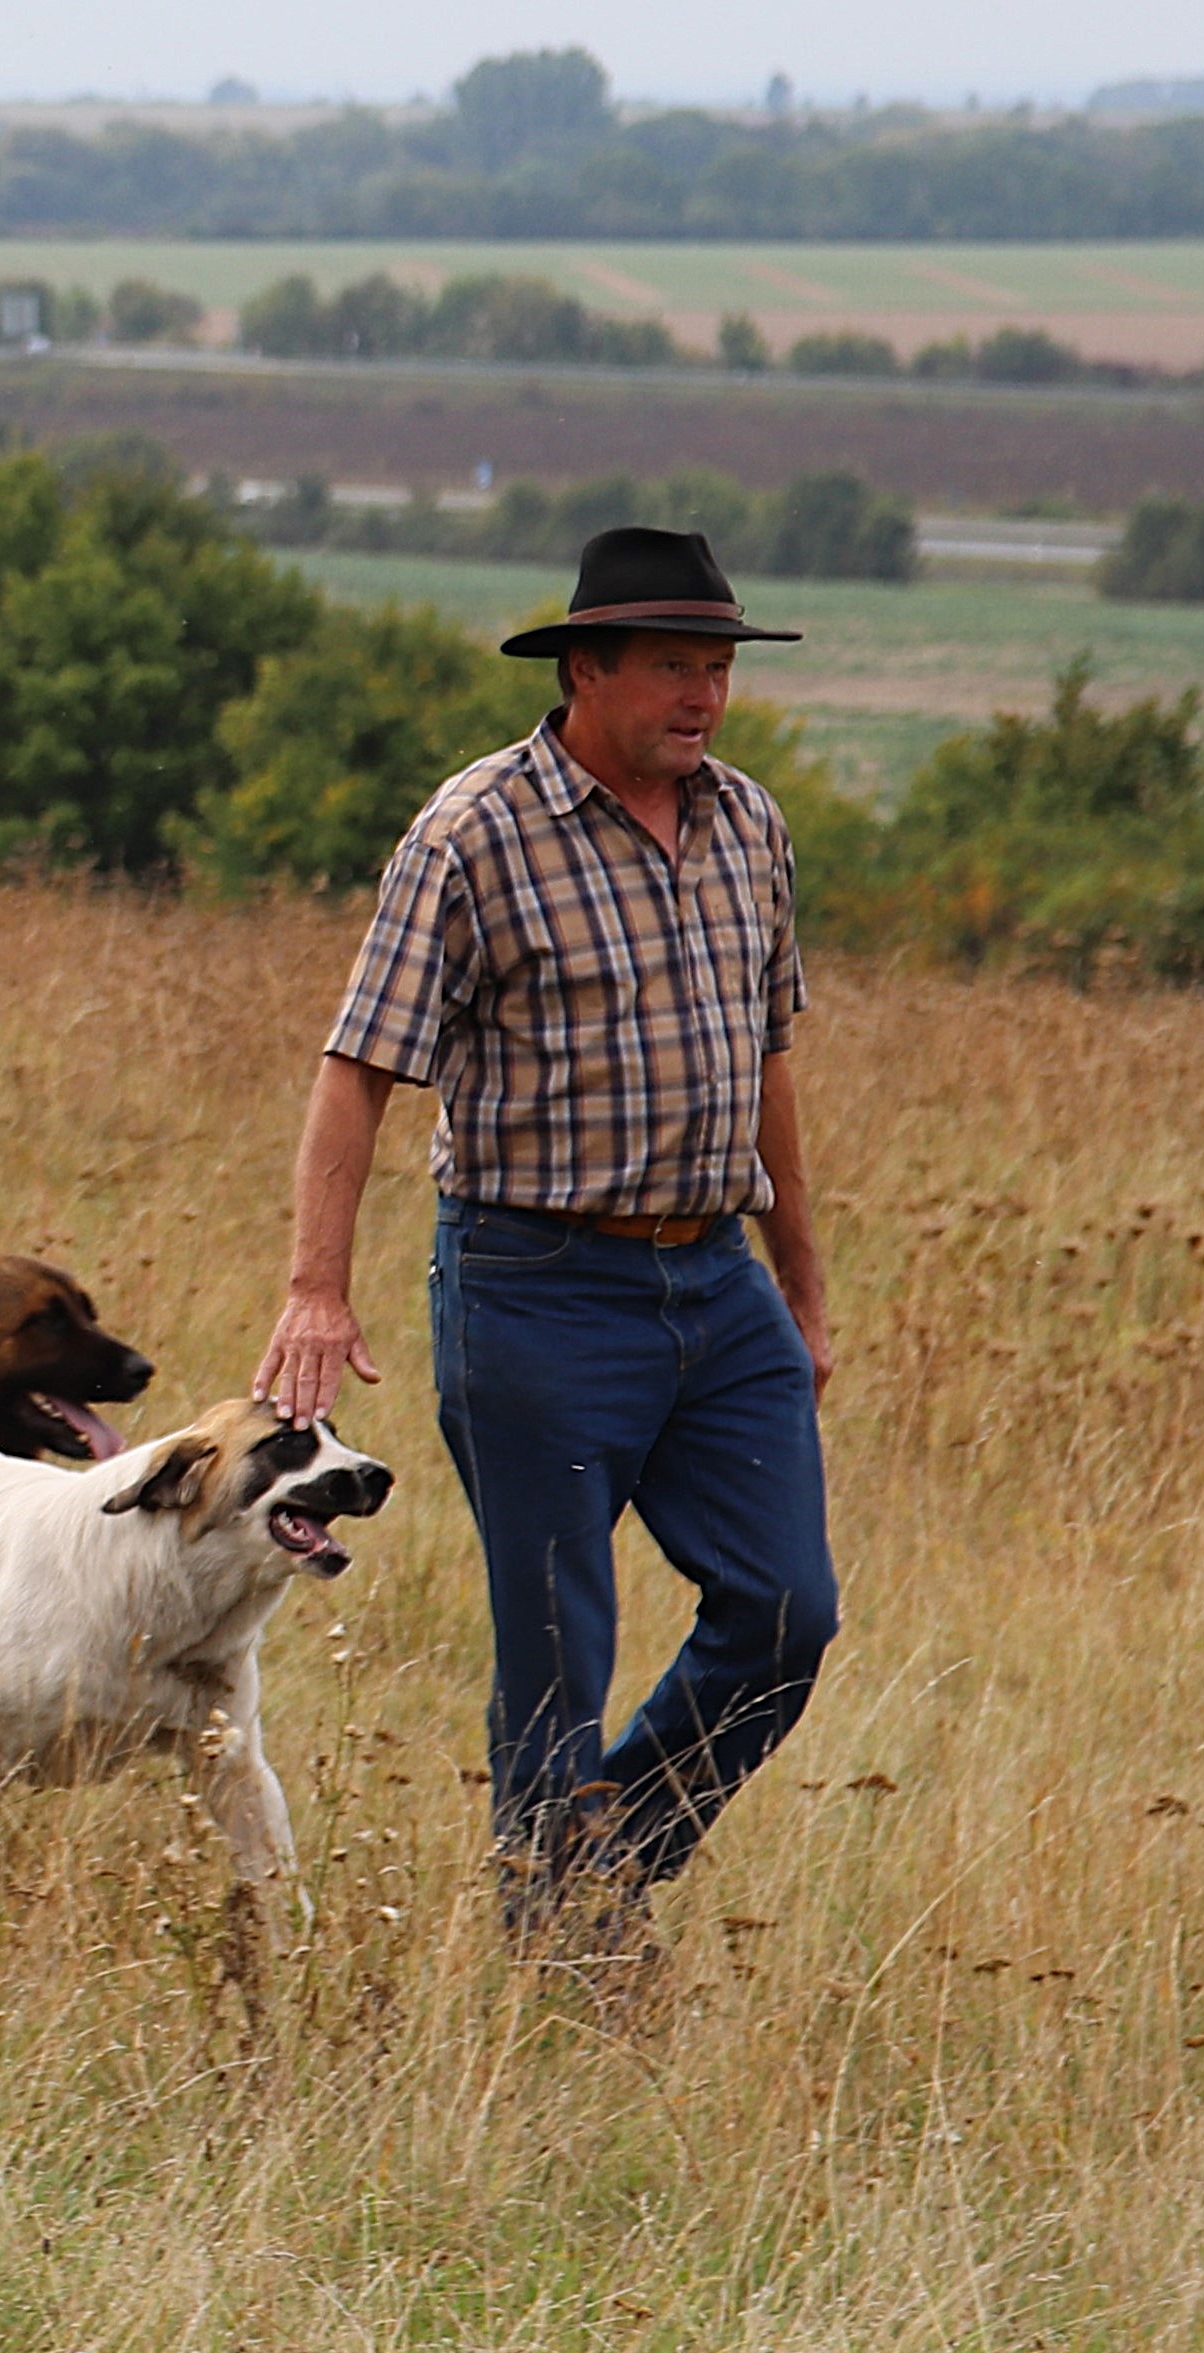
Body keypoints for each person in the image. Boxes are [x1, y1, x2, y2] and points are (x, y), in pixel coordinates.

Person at [253, 525, 839, 1979]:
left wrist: (803, 1287)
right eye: (671, 669)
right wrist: (316, 1287)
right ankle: (551, 1952)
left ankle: (603, 1856)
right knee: (558, 1648)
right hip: (535, 1290)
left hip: (715, 1281)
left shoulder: (748, 826)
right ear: (585, 669)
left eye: (716, 668)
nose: (702, 696)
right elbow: (357, 1068)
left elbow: (766, 1066)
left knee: (784, 1613)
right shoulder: (472, 834)